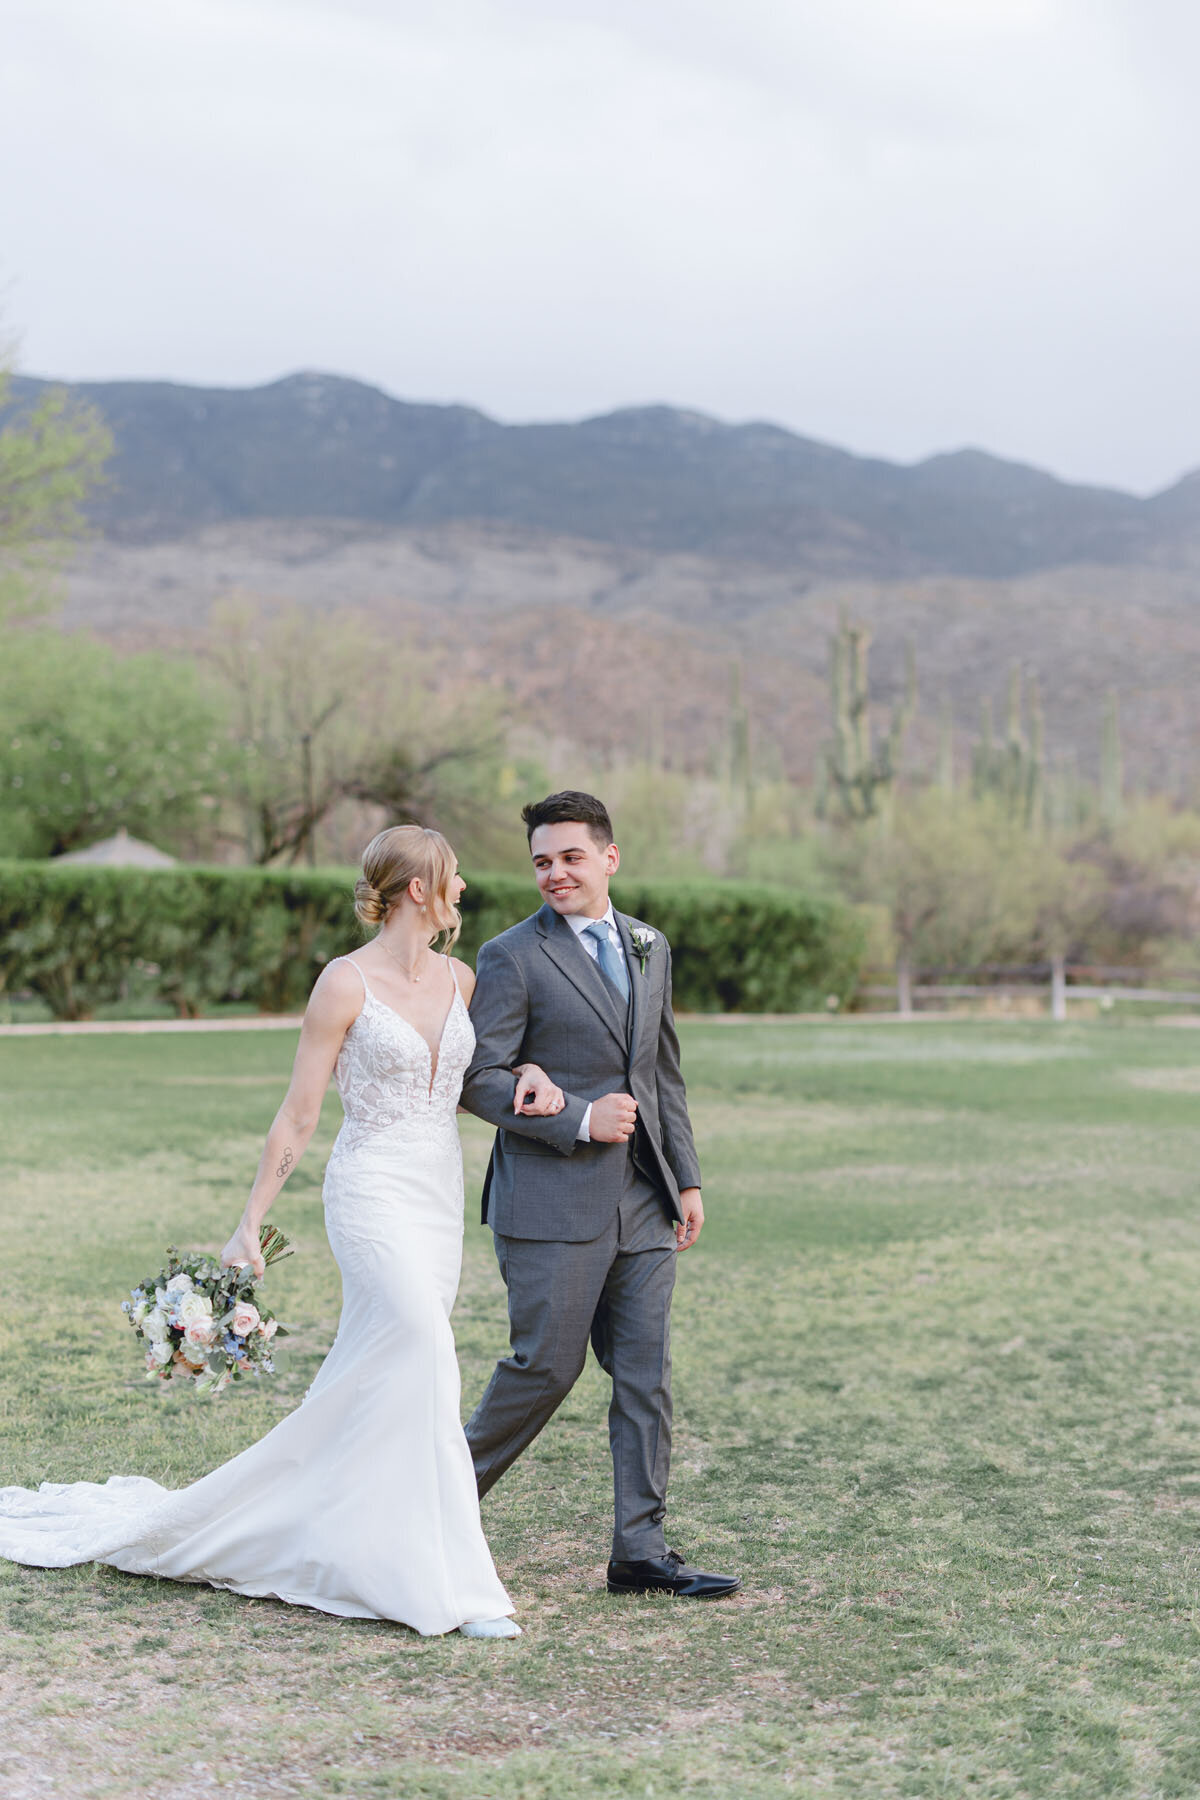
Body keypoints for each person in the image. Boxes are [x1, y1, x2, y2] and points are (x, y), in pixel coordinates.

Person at [0, 825, 562, 1639]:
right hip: (370, 1190)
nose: (464, 886)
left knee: (389, 1370)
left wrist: (531, 1072)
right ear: (418, 889)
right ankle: (456, 1587)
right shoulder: (344, 983)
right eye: (454, 875)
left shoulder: (462, 979)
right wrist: (249, 1222)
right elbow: (299, 1114)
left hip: (437, 1196)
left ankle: (353, 1534)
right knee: (426, 1346)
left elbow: (483, 1076)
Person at [460, 791, 741, 1600]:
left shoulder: (650, 945)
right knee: (544, 1371)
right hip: (549, 1203)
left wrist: (686, 1177)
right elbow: (477, 1078)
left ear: (609, 858)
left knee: (646, 1375)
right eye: (542, 861)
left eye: (570, 857)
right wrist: (580, 1118)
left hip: (645, 1199)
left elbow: (661, 1075)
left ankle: (640, 1552)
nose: (555, 873)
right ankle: (435, 1510)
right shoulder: (512, 956)